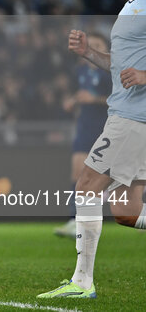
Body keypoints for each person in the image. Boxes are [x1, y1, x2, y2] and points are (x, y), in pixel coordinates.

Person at [38, 0, 146, 299]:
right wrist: (90, 54)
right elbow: (120, 67)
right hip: (129, 115)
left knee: (85, 185)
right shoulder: (131, 7)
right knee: (127, 212)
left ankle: (82, 282)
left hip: (132, 118)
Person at [54, 33, 111, 238]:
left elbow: (120, 100)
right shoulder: (80, 70)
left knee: (114, 178)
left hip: (107, 127)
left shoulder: (112, 72)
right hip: (85, 126)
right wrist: (73, 101)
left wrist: (95, 99)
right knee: (76, 173)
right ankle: (73, 220)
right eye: (91, 44)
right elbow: (80, 93)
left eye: (98, 45)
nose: (93, 49)